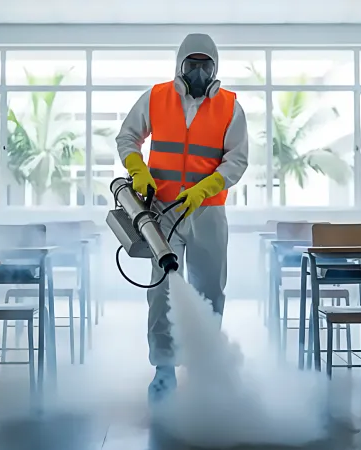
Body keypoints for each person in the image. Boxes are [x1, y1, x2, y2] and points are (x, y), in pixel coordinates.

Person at [115, 33, 249, 403]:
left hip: (207, 211)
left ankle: (205, 368)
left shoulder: (230, 106)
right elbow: (127, 138)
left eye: (206, 65)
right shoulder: (156, 97)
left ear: (216, 67)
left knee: (208, 292)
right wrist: (138, 171)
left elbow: (237, 160)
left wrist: (205, 188)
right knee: (161, 291)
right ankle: (163, 371)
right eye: (193, 64)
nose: (199, 71)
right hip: (162, 211)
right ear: (180, 65)